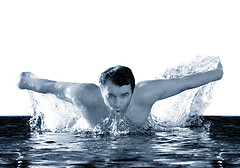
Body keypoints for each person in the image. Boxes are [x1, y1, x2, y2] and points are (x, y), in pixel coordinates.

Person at [18, 61, 223, 128]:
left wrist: (217, 72)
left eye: (125, 95)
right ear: (101, 91)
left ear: (133, 91)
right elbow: (52, 86)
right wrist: (26, 81)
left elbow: (183, 83)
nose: (118, 103)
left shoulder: (146, 94)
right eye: (111, 96)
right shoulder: (84, 95)